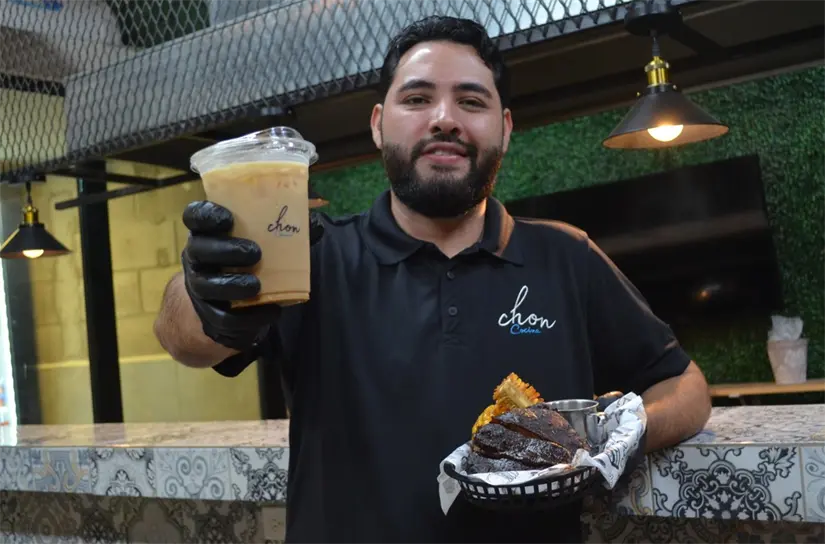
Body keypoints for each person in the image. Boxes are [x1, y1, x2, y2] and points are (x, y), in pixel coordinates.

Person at [154, 15, 712, 544]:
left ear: (505, 128)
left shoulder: (565, 256)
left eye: (471, 101)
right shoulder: (313, 257)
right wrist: (204, 291)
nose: (444, 117)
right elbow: (182, 338)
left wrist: (612, 445)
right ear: (378, 124)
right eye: (417, 98)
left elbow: (684, 388)